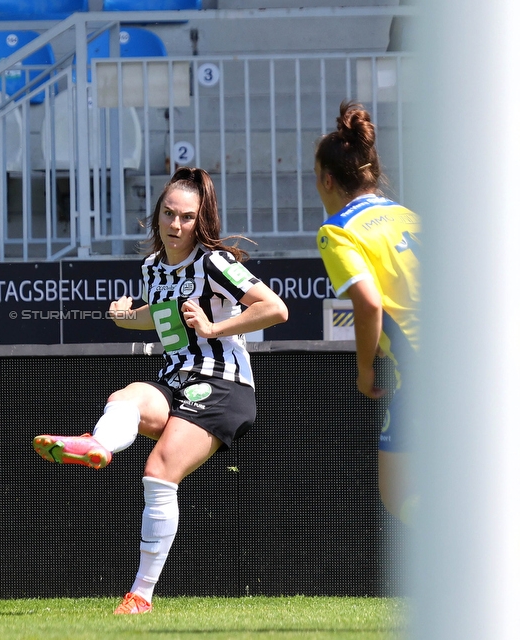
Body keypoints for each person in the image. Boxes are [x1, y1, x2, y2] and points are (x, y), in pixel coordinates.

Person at [32, 167, 288, 614]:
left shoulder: (214, 262)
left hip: (222, 384)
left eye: (186, 217)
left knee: (158, 472)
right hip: (176, 379)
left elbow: (275, 308)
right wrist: (124, 316)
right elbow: (160, 316)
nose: (175, 225)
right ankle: (96, 444)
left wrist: (214, 326)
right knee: (125, 397)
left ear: (200, 219)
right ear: (157, 215)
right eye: (168, 213)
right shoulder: (152, 267)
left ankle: (140, 596)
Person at [313, 100, 419, 526]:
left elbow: (369, 302)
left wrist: (364, 369)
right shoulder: (409, 216)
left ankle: (490, 580)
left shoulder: (337, 231)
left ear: (325, 180)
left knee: (398, 493)